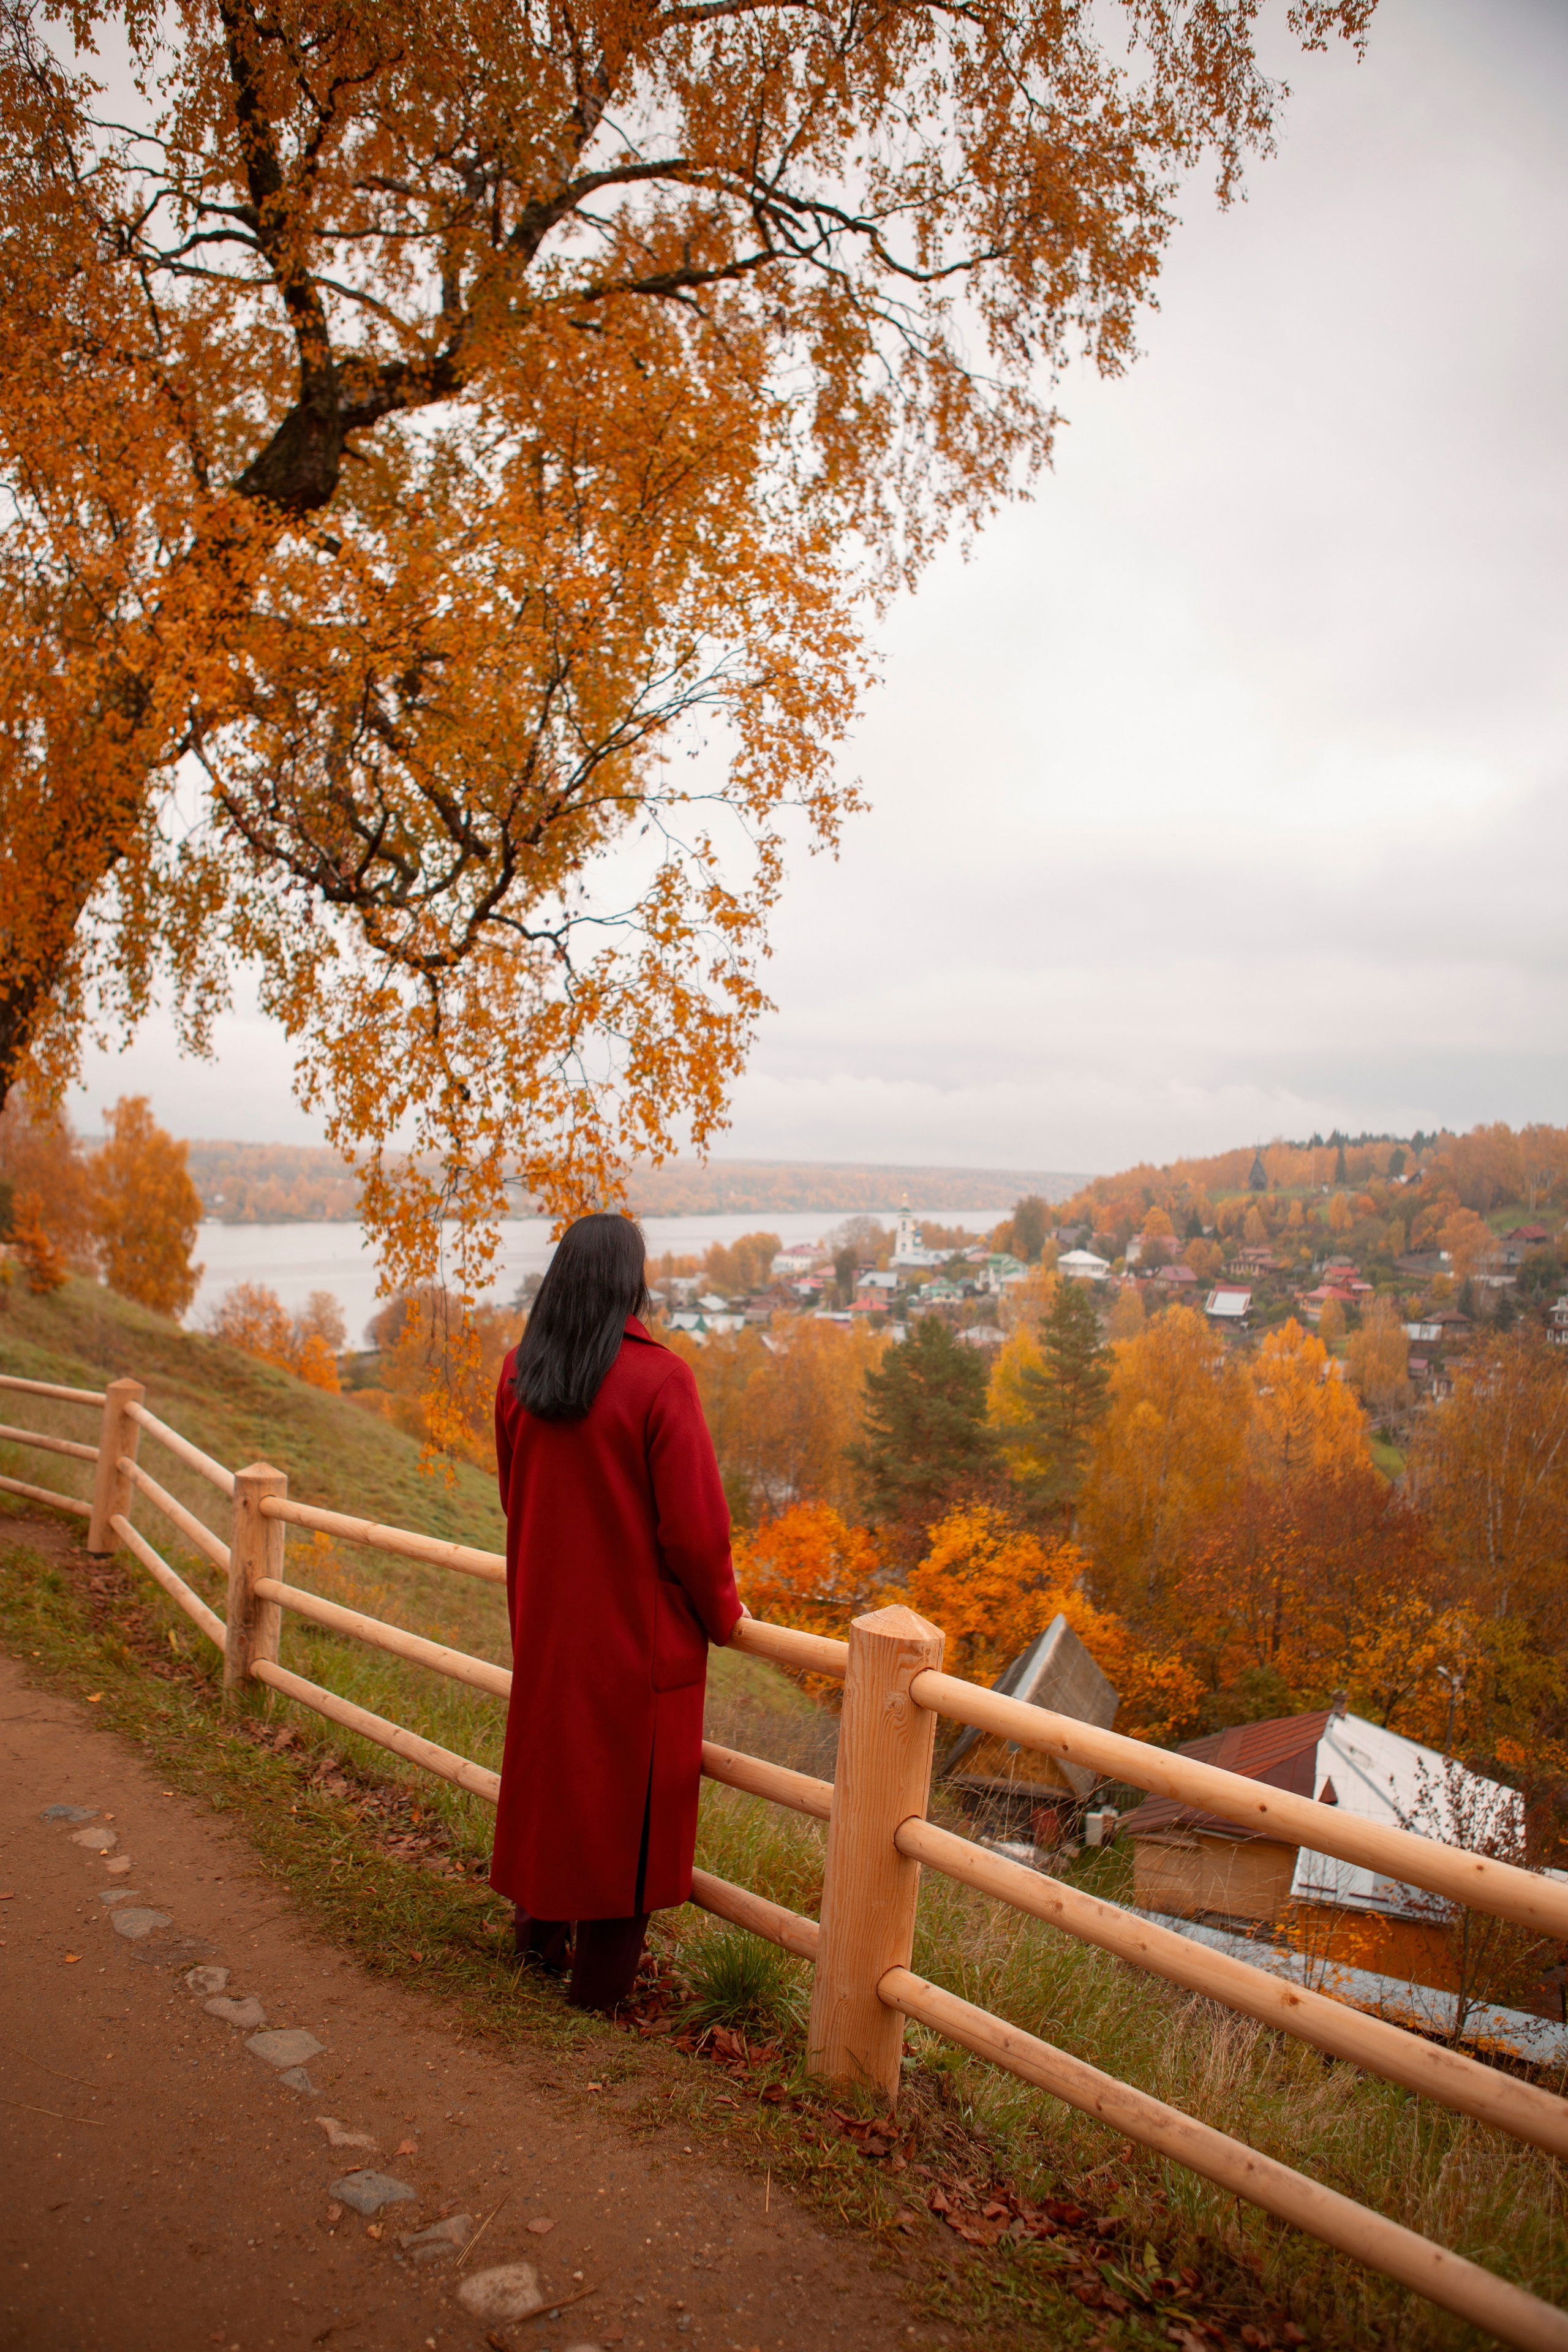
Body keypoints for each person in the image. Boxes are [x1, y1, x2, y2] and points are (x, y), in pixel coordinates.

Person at [488, 1212, 743, 2011]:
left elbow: (514, 1495)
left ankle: (535, 1948)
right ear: (633, 1282)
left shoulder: (519, 1375)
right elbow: (696, 1533)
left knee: (555, 1781)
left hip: (549, 1620)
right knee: (624, 1809)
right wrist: (725, 1617)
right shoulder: (660, 1380)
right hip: (637, 1636)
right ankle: (597, 1993)